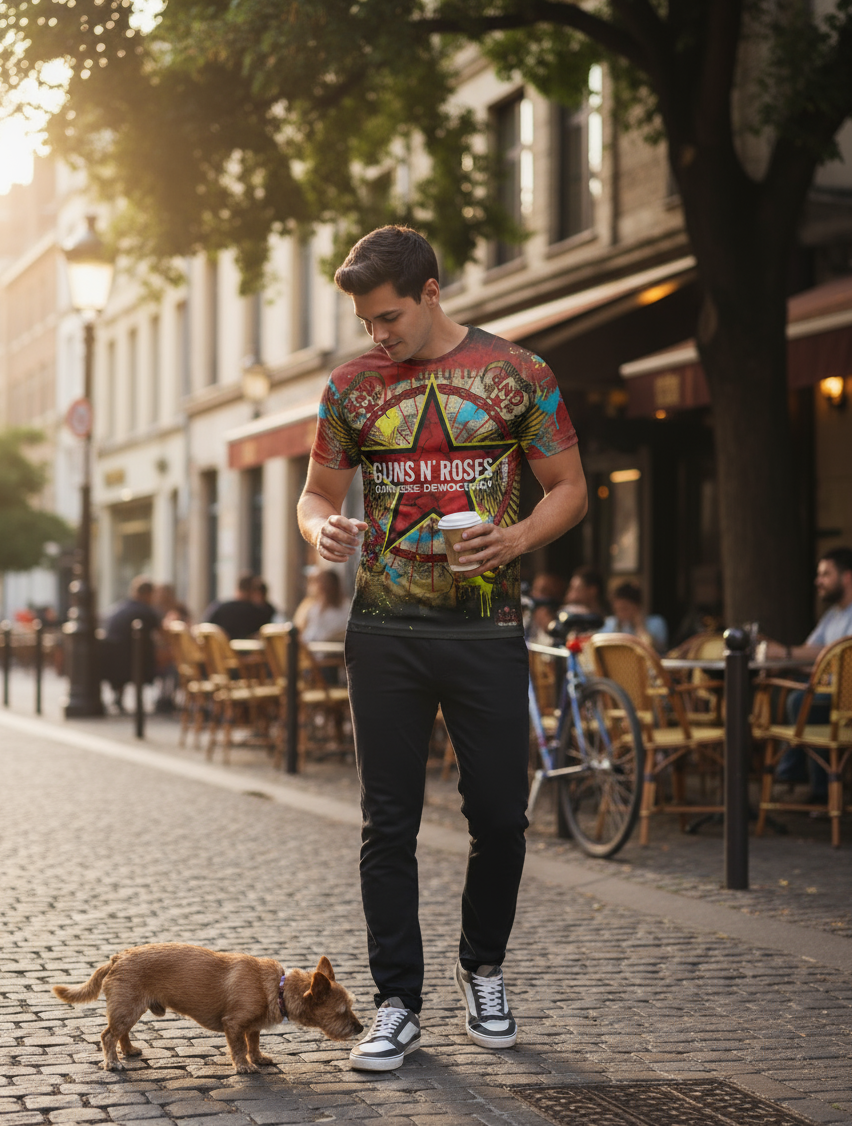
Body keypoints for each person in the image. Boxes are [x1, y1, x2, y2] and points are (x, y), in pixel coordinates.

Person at [297, 225, 587, 1071]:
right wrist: (324, 530)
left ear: (431, 293)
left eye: (388, 318)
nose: (376, 336)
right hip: (383, 631)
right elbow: (315, 494)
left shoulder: (518, 374)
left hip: (487, 627)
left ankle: (483, 969)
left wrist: (515, 538)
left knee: (499, 816)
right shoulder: (349, 387)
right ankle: (396, 1002)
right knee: (387, 824)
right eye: (364, 323)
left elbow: (570, 489)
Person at [762, 547, 852, 803]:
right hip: (829, 691)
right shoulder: (833, 614)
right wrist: (780, 656)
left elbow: (842, 652)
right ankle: (795, 770)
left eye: (825, 574)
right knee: (787, 691)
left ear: (847, 578)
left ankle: (813, 784)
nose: (818, 581)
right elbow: (811, 652)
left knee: (799, 701)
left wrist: (782, 652)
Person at [101, 576, 162, 712]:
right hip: (134, 661)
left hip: (112, 661)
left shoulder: (119, 608)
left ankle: (119, 698)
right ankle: (163, 700)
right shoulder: (145, 611)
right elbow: (161, 633)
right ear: (148, 594)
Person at [602, 581, 669, 655]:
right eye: (617, 610)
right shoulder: (610, 623)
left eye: (624, 609)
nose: (620, 614)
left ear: (637, 606)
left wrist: (640, 625)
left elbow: (649, 649)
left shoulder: (656, 622)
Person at [202, 573, 266, 640]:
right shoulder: (260, 613)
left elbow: (204, 627)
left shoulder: (218, 608)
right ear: (255, 593)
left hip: (220, 649)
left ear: (237, 590)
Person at [294, 569, 350, 644]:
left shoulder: (345, 607)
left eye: (324, 582)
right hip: (308, 649)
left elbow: (344, 633)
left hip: (330, 650)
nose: (320, 586)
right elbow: (299, 627)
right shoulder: (311, 605)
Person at [523, 571, 567, 645]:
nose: (535, 594)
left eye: (543, 591)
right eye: (534, 589)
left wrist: (549, 625)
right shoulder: (527, 613)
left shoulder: (563, 617)